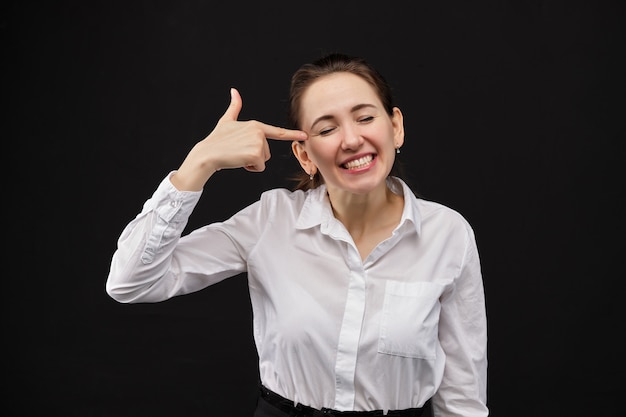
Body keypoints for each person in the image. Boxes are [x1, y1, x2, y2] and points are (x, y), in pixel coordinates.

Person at [106, 53, 489, 416]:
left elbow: (463, 399)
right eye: (327, 128)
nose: (351, 139)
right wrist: (199, 162)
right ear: (306, 157)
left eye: (365, 118)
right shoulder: (270, 221)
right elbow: (131, 282)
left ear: (396, 127)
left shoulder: (448, 234)